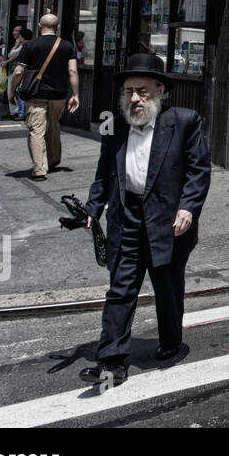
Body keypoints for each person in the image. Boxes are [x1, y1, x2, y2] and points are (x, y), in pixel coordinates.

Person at [78, 53, 211, 386]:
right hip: (127, 218)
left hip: (168, 220)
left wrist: (188, 207)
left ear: (160, 90)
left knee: (167, 288)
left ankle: (170, 342)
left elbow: (199, 171)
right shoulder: (117, 126)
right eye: (128, 91)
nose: (134, 98)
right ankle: (111, 360)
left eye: (142, 91)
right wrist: (93, 208)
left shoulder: (184, 121)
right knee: (121, 288)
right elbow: (105, 172)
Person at [7, 15, 79, 182]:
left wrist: (12, 92)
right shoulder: (67, 46)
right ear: (58, 26)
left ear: (39, 26)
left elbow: (18, 71)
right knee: (54, 126)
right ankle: (53, 159)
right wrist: (75, 95)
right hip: (59, 95)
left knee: (37, 130)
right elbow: (73, 71)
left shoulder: (30, 45)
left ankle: (39, 169)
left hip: (36, 94)